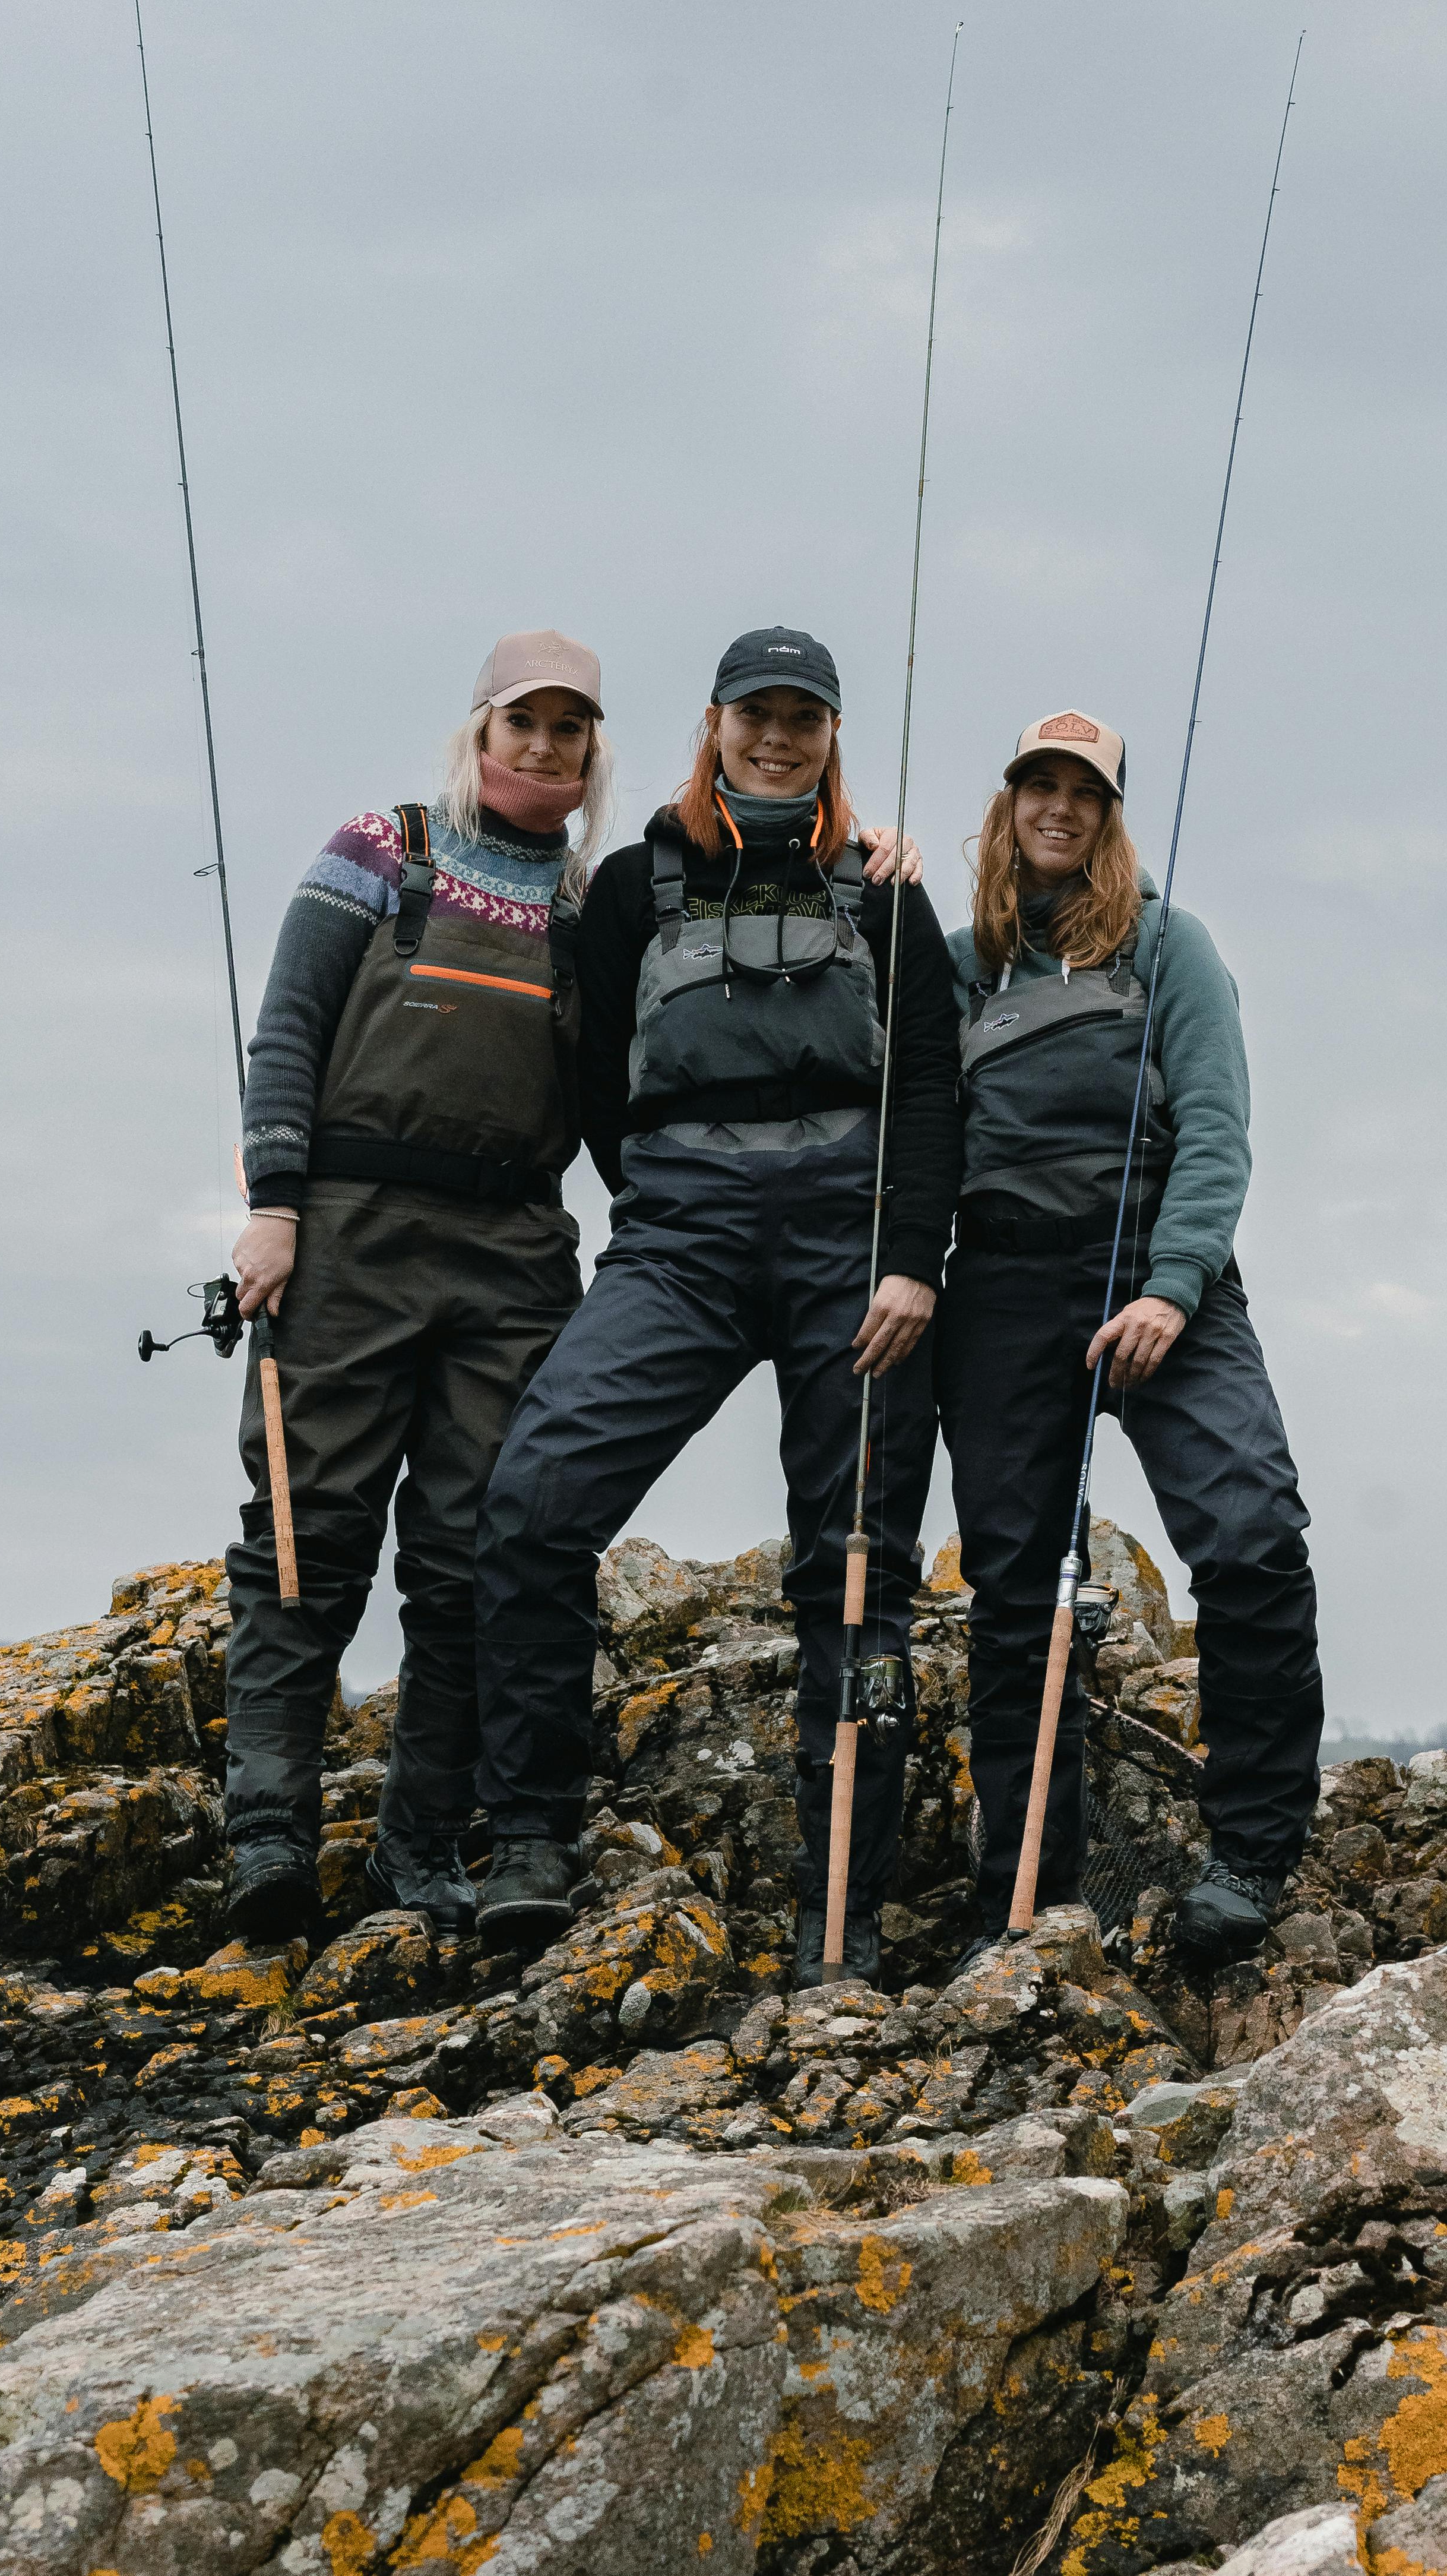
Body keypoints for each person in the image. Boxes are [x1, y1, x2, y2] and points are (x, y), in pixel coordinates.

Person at [469, 626, 961, 1983]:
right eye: (757, 713)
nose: (777, 736)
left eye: (805, 716)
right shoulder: (634, 884)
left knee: (855, 1573)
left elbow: (929, 1088)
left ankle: (841, 1915)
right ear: (714, 721)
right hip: (679, 1247)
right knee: (533, 1496)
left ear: (831, 735)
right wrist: (665, 1200)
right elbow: (595, 1087)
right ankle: (526, 1838)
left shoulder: (887, 895)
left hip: (856, 1265)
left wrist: (911, 1256)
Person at [220, 631, 613, 1949]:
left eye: (571, 728)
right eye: (524, 722)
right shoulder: (377, 852)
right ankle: (266, 1835)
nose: (544, 746)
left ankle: (418, 1845)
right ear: (481, 728)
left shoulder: (590, 909)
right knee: (305, 1535)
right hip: (345, 1229)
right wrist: (273, 1210)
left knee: (467, 1561)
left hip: (514, 1255)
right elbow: (285, 1033)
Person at [935, 708, 1322, 1973]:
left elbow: (1218, 1126)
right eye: (1036, 786)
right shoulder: (956, 961)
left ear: (1108, 815)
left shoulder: (1171, 946)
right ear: (1008, 806)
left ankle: (1250, 1854)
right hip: (1000, 1287)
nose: (1057, 807)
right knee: (1011, 1592)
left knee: (1252, 1537)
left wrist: (1169, 1285)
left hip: (1162, 1283)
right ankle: (1028, 1890)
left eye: (1083, 792)